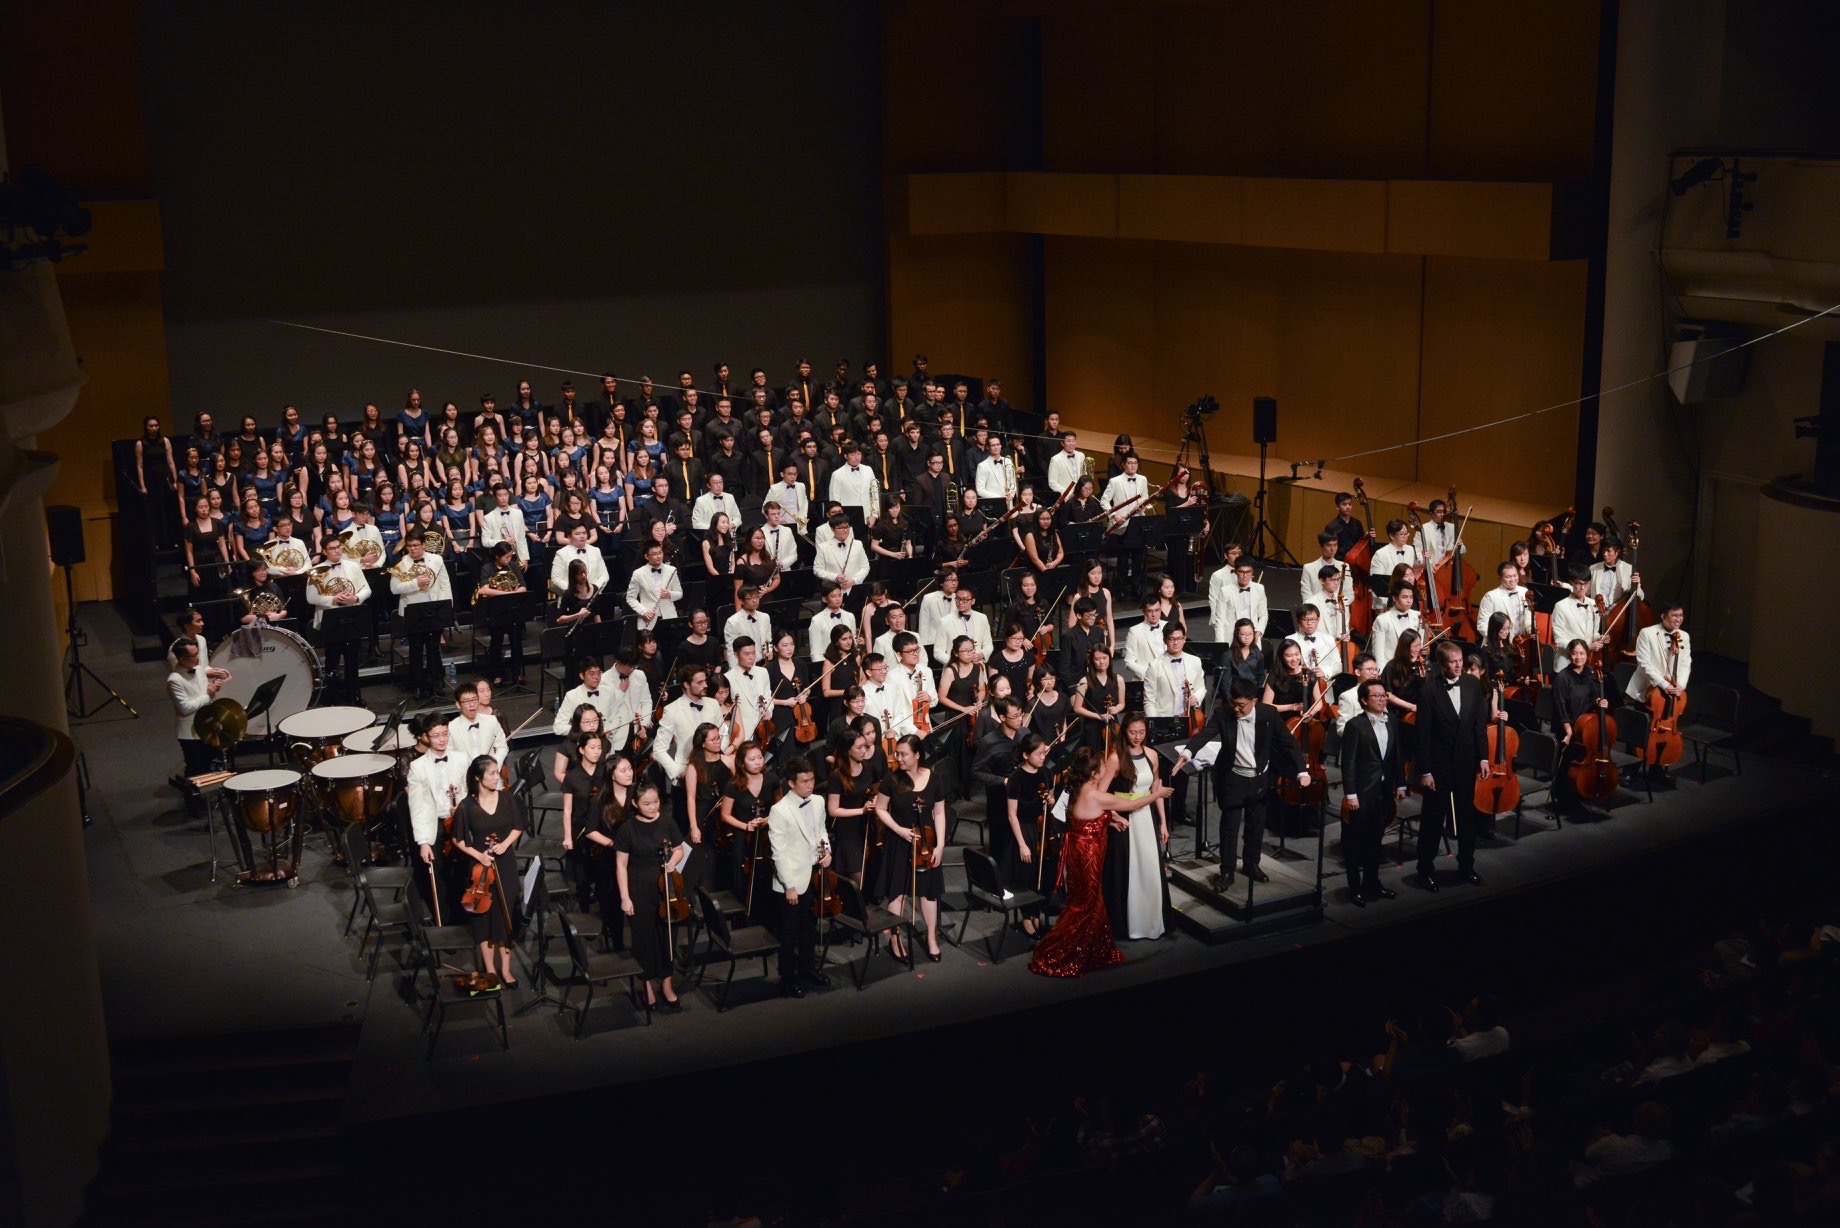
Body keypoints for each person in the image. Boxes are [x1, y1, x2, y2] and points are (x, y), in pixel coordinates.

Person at [1028, 746, 1172, 978]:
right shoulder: (1096, 795)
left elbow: (1089, 818)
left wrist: (1109, 821)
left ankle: (1091, 948)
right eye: (1102, 767)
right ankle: (1068, 950)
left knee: (1085, 899)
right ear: (1094, 774)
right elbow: (1132, 805)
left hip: (1077, 851)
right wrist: (1158, 794)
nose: (1106, 769)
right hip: (1088, 856)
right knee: (1086, 902)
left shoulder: (1077, 790)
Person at [1171, 678, 1310, 890]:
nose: (1236, 709)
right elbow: (1206, 734)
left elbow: (1288, 743)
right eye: (1233, 704)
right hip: (1233, 779)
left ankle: (1251, 865)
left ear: (1254, 701)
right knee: (1230, 828)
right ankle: (1226, 872)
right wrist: (1187, 753)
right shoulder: (1224, 713)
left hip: (1259, 779)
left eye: (1241, 705)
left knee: (1256, 827)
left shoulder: (1268, 714)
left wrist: (1302, 770)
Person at [1413, 639, 1491, 891]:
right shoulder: (1428, 692)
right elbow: (1422, 735)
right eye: (1453, 662)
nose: (1458, 666)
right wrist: (1424, 770)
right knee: (1433, 820)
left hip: (1467, 762)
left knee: (1467, 819)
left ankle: (1466, 866)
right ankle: (1424, 871)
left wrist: (1483, 757)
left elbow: (1479, 725)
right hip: (1439, 766)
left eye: (1460, 661)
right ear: (1442, 664)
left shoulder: (1472, 684)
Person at [869, 736, 948, 963]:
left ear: (917, 755)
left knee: (928, 892)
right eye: (897, 753)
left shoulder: (934, 779)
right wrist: (899, 830)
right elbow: (880, 809)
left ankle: (931, 938)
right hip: (900, 843)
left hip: (928, 842)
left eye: (903, 754)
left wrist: (940, 844)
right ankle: (895, 938)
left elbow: (940, 813)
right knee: (898, 891)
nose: (898, 758)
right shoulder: (891, 780)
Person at [450, 755, 525, 989]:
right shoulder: (466, 806)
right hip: (481, 868)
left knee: (506, 915)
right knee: (483, 916)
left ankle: (505, 968)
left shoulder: (507, 798)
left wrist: (505, 844)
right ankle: (490, 970)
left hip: (506, 864)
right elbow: (458, 839)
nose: (497, 777)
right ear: (478, 778)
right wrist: (478, 854)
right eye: (491, 773)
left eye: (496, 772)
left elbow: (518, 826)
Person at [615, 781, 690, 1011]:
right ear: (635, 803)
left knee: (667, 936)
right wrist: (625, 898)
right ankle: (646, 985)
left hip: (666, 887)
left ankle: (667, 984)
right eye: (646, 803)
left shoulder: (667, 822)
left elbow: (679, 849)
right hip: (639, 888)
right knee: (643, 939)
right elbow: (621, 865)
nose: (652, 806)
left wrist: (673, 862)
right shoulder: (627, 828)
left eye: (656, 801)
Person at [766, 757, 833, 997]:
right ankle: (787, 978)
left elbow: (821, 830)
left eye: (812, 779)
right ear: (791, 783)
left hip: (813, 874)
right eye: (805, 781)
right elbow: (779, 853)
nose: (810, 784)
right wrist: (789, 886)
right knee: (789, 934)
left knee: (809, 929)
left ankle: (808, 969)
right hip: (792, 881)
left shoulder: (817, 801)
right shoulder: (779, 810)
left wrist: (826, 851)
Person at [1338, 679, 1406, 906]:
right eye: (1376, 696)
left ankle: (1372, 882)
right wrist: (1351, 795)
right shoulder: (1355, 725)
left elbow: (1397, 755)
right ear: (1364, 701)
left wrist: (1401, 784)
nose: (1381, 699)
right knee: (1354, 842)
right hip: (1362, 793)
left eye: (1383, 695)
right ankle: (1354, 887)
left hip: (1383, 791)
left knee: (1375, 841)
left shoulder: (1392, 721)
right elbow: (1348, 763)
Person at [1107, 713, 1168, 941]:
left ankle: (1151, 921)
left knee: (1150, 867)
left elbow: (1156, 790)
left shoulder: (1151, 755)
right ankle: (1129, 924)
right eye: (1133, 732)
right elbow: (1101, 793)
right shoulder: (1116, 758)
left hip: (1146, 817)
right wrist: (1113, 814)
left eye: (1141, 732)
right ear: (1125, 731)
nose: (1137, 737)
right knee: (1129, 869)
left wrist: (1162, 822)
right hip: (1126, 817)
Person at [405, 713, 466, 920]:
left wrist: (462, 806)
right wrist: (423, 842)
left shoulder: (461, 758)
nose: (442, 739)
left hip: (460, 823)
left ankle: (466, 917)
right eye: (436, 735)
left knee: (463, 872)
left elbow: (469, 791)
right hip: (436, 826)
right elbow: (418, 807)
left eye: (445, 734)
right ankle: (446, 925)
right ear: (426, 737)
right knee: (439, 876)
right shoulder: (417, 766)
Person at [1004, 734, 1058, 931]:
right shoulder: (1016, 779)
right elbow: (1012, 815)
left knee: (1044, 874)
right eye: (1039, 754)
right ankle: (1027, 916)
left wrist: (1051, 801)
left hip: (1043, 826)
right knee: (1028, 875)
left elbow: (1050, 799)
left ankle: (1038, 911)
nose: (1043, 757)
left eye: (1044, 753)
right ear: (1026, 755)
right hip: (1025, 830)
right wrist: (1022, 844)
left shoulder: (1046, 773)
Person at [388, 533, 452, 697]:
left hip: (435, 608)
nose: (413, 549)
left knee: (433, 647)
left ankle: (437, 682)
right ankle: (417, 685)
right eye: (410, 546)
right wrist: (415, 583)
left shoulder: (436, 560)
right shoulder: (402, 564)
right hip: (413, 609)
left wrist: (446, 606)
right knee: (415, 649)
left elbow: (445, 583)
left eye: (416, 545)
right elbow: (394, 589)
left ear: (423, 545)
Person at [825, 731, 886, 884]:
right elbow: (833, 810)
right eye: (859, 748)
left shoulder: (869, 768)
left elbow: (877, 790)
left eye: (864, 747)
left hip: (868, 825)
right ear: (847, 750)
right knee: (857, 875)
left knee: (873, 867)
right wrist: (861, 810)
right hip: (848, 829)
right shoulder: (836, 776)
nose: (864, 751)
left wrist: (874, 800)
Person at [167, 638, 227, 777]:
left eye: (197, 653)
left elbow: (203, 694)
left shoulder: (199, 670)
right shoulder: (174, 680)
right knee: (195, 770)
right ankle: (192, 797)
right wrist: (208, 694)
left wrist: (213, 688)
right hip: (189, 733)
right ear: (182, 659)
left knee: (208, 766)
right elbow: (185, 708)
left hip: (206, 726)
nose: (198, 658)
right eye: (194, 655)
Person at [473, 541, 528, 685]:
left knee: (516, 642)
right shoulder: (487, 568)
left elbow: (523, 587)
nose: (509, 560)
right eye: (506, 557)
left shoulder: (513, 566)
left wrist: (514, 592)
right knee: (496, 643)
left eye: (510, 556)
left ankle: (517, 673)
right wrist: (505, 593)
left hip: (513, 609)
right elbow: (485, 590)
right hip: (496, 610)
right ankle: (496, 674)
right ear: (497, 556)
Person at [625, 539, 683, 631]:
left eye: (660, 553)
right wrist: (644, 612)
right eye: (654, 554)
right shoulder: (638, 573)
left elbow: (680, 593)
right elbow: (630, 598)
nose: (658, 556)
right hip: (648, 620)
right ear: (646, 556)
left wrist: (670, 594)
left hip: (669, 618)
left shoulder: (672, 570)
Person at [449, 680, 508, 765]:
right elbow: (449, 755)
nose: (472, 704)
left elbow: (502, 747)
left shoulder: (491, 721)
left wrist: (493, 768)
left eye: (474, 699)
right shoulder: (451, 727)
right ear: (458, 704)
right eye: (466, 701)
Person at [1209, 558, 1267, 642]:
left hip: (1252, 638)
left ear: (1252, 573)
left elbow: (1263, 615)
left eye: (1248, 572)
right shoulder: (1225, 591)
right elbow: (1220, 621)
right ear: (1236, 572)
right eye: (1241, 572)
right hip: (1231, 638)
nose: (1245, 575)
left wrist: (1259, 632)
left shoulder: (1259, 588)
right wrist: (1220, 644)